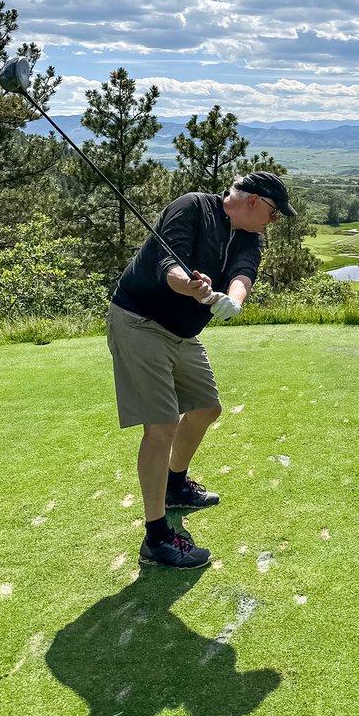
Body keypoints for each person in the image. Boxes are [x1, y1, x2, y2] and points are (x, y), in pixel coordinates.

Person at [106, 171, 296, 568]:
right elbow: (167, 262)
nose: (273, 222)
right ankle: (156, 538)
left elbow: (244, 273)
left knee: (207, 408)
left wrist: (233, 299)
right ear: (254, 202)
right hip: (139, 321)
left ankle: (175, 485)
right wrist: (187, 285)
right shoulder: (193, 206)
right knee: (161, 426)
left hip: (182, 333)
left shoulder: (248, 236)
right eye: (274, 213)